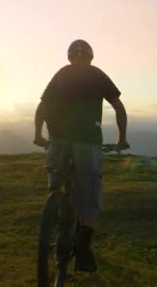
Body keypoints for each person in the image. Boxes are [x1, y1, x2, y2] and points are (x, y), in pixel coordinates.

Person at [33, 39, 129, 272]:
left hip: (58, 138)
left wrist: (38, 134)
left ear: (69, 57)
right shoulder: (97, 74)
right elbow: (118, 107)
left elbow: (42, 107)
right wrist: (121, 138)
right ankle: (83, 249)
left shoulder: (61, 74)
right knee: (89, 194)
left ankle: (55, 203)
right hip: (88, 141)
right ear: (90, 56)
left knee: (55, 177)